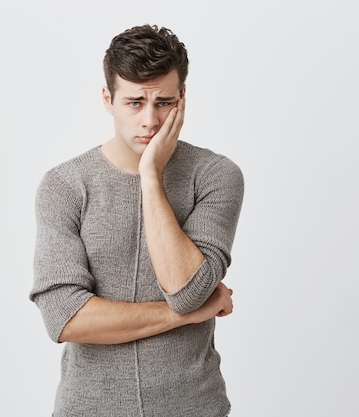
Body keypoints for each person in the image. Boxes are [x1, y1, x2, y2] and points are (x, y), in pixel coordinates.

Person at [29, 24, 244, 417]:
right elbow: (65, 318)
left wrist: (150, 177)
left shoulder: (215, 175)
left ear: (182, 99)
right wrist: (189, 314)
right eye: (134, 103)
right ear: (107, 99)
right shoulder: (64, 185)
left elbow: (186, 289)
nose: (150, 121)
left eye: (164, 102)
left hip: (194, 407)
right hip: (88, 409)